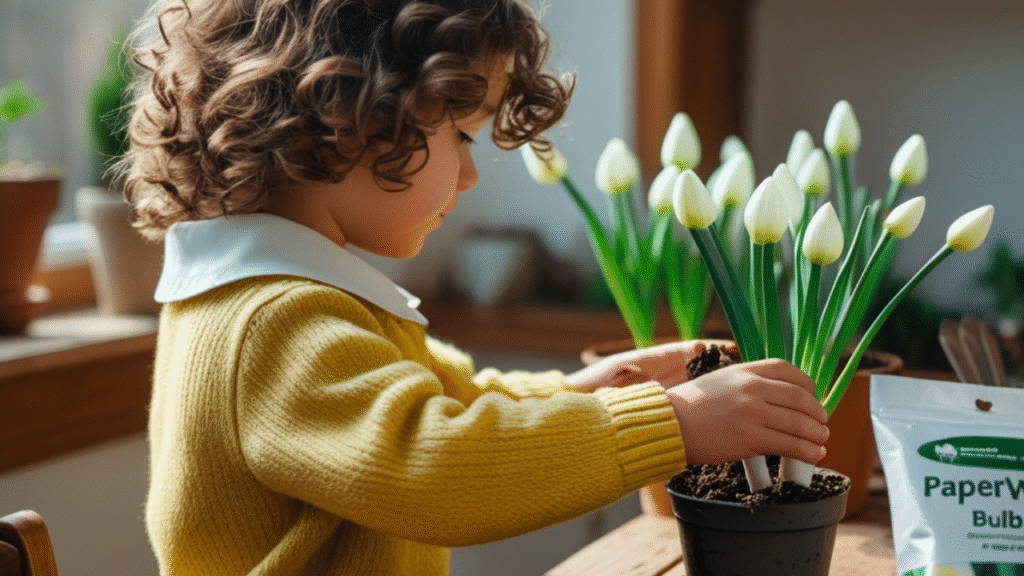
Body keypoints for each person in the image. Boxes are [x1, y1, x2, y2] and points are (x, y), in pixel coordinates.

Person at [116, 1, 830, 574]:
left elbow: (449, 402)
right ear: (347, 117)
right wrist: (672, 424)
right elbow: (433, 464)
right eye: (462, 135)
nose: (469, 175)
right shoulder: (275, 321)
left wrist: (590, 392)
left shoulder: (283, 298)